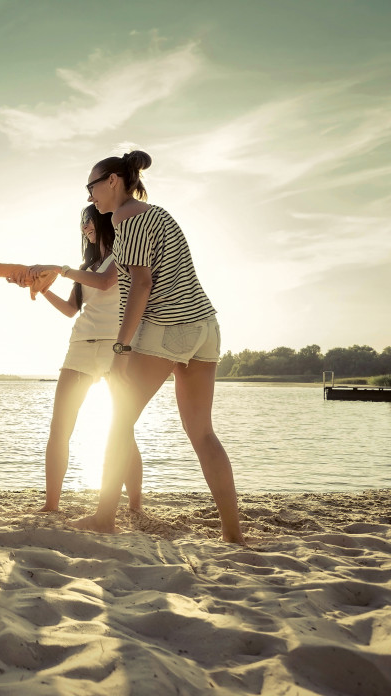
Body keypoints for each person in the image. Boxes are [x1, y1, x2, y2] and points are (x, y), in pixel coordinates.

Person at [72, 150, 244, 544]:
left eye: (91, 186)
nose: (90, 196)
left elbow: (143, 286)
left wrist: (120, 348)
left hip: (168, 326)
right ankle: (233, 533)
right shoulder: (158, 214)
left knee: (119, 423)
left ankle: (103, 518)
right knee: (202, 433)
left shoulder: (124, 218)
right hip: (205, 325)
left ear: (113, 180)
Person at [9, 205, 143, 513]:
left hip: (116, 347)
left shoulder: (122, 253)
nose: (84, 227)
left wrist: (58, 268)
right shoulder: (88, 265)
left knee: (123, 428)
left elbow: (108, 282)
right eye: (81, 223)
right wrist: (42, 290)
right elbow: (72, 309)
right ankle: (51, 505)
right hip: (81, 345)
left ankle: (136, 505)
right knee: (60, 427)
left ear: (104, 219)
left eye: (88, 220)